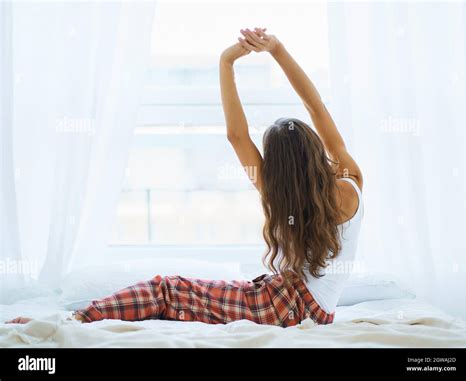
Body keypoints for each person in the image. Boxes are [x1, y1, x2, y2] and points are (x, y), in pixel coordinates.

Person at [7, 28, 363, 327]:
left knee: (166, 289)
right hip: (312, 311)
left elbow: (236, 136)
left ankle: (72, 322)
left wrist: (227, 61)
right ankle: (81, 318)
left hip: (281, 307)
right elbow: (317, 108)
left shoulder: (277, 192)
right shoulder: (351, 184)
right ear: (316, 149)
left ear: (277, 169)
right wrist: (278, 49)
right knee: (192, 294)